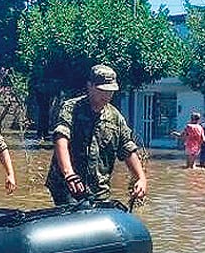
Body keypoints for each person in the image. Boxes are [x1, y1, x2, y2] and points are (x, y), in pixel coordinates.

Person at [45, 64, 148, 206]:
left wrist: (141, 178)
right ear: (90, 86)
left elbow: (128, 149)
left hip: (99, 190)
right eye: (102, 90)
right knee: (75, 221)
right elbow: (61, 138)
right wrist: (68, 173)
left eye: (110, 91)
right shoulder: (71, 108)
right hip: (68, 186)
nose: (106, 95)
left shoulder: (115, 117)